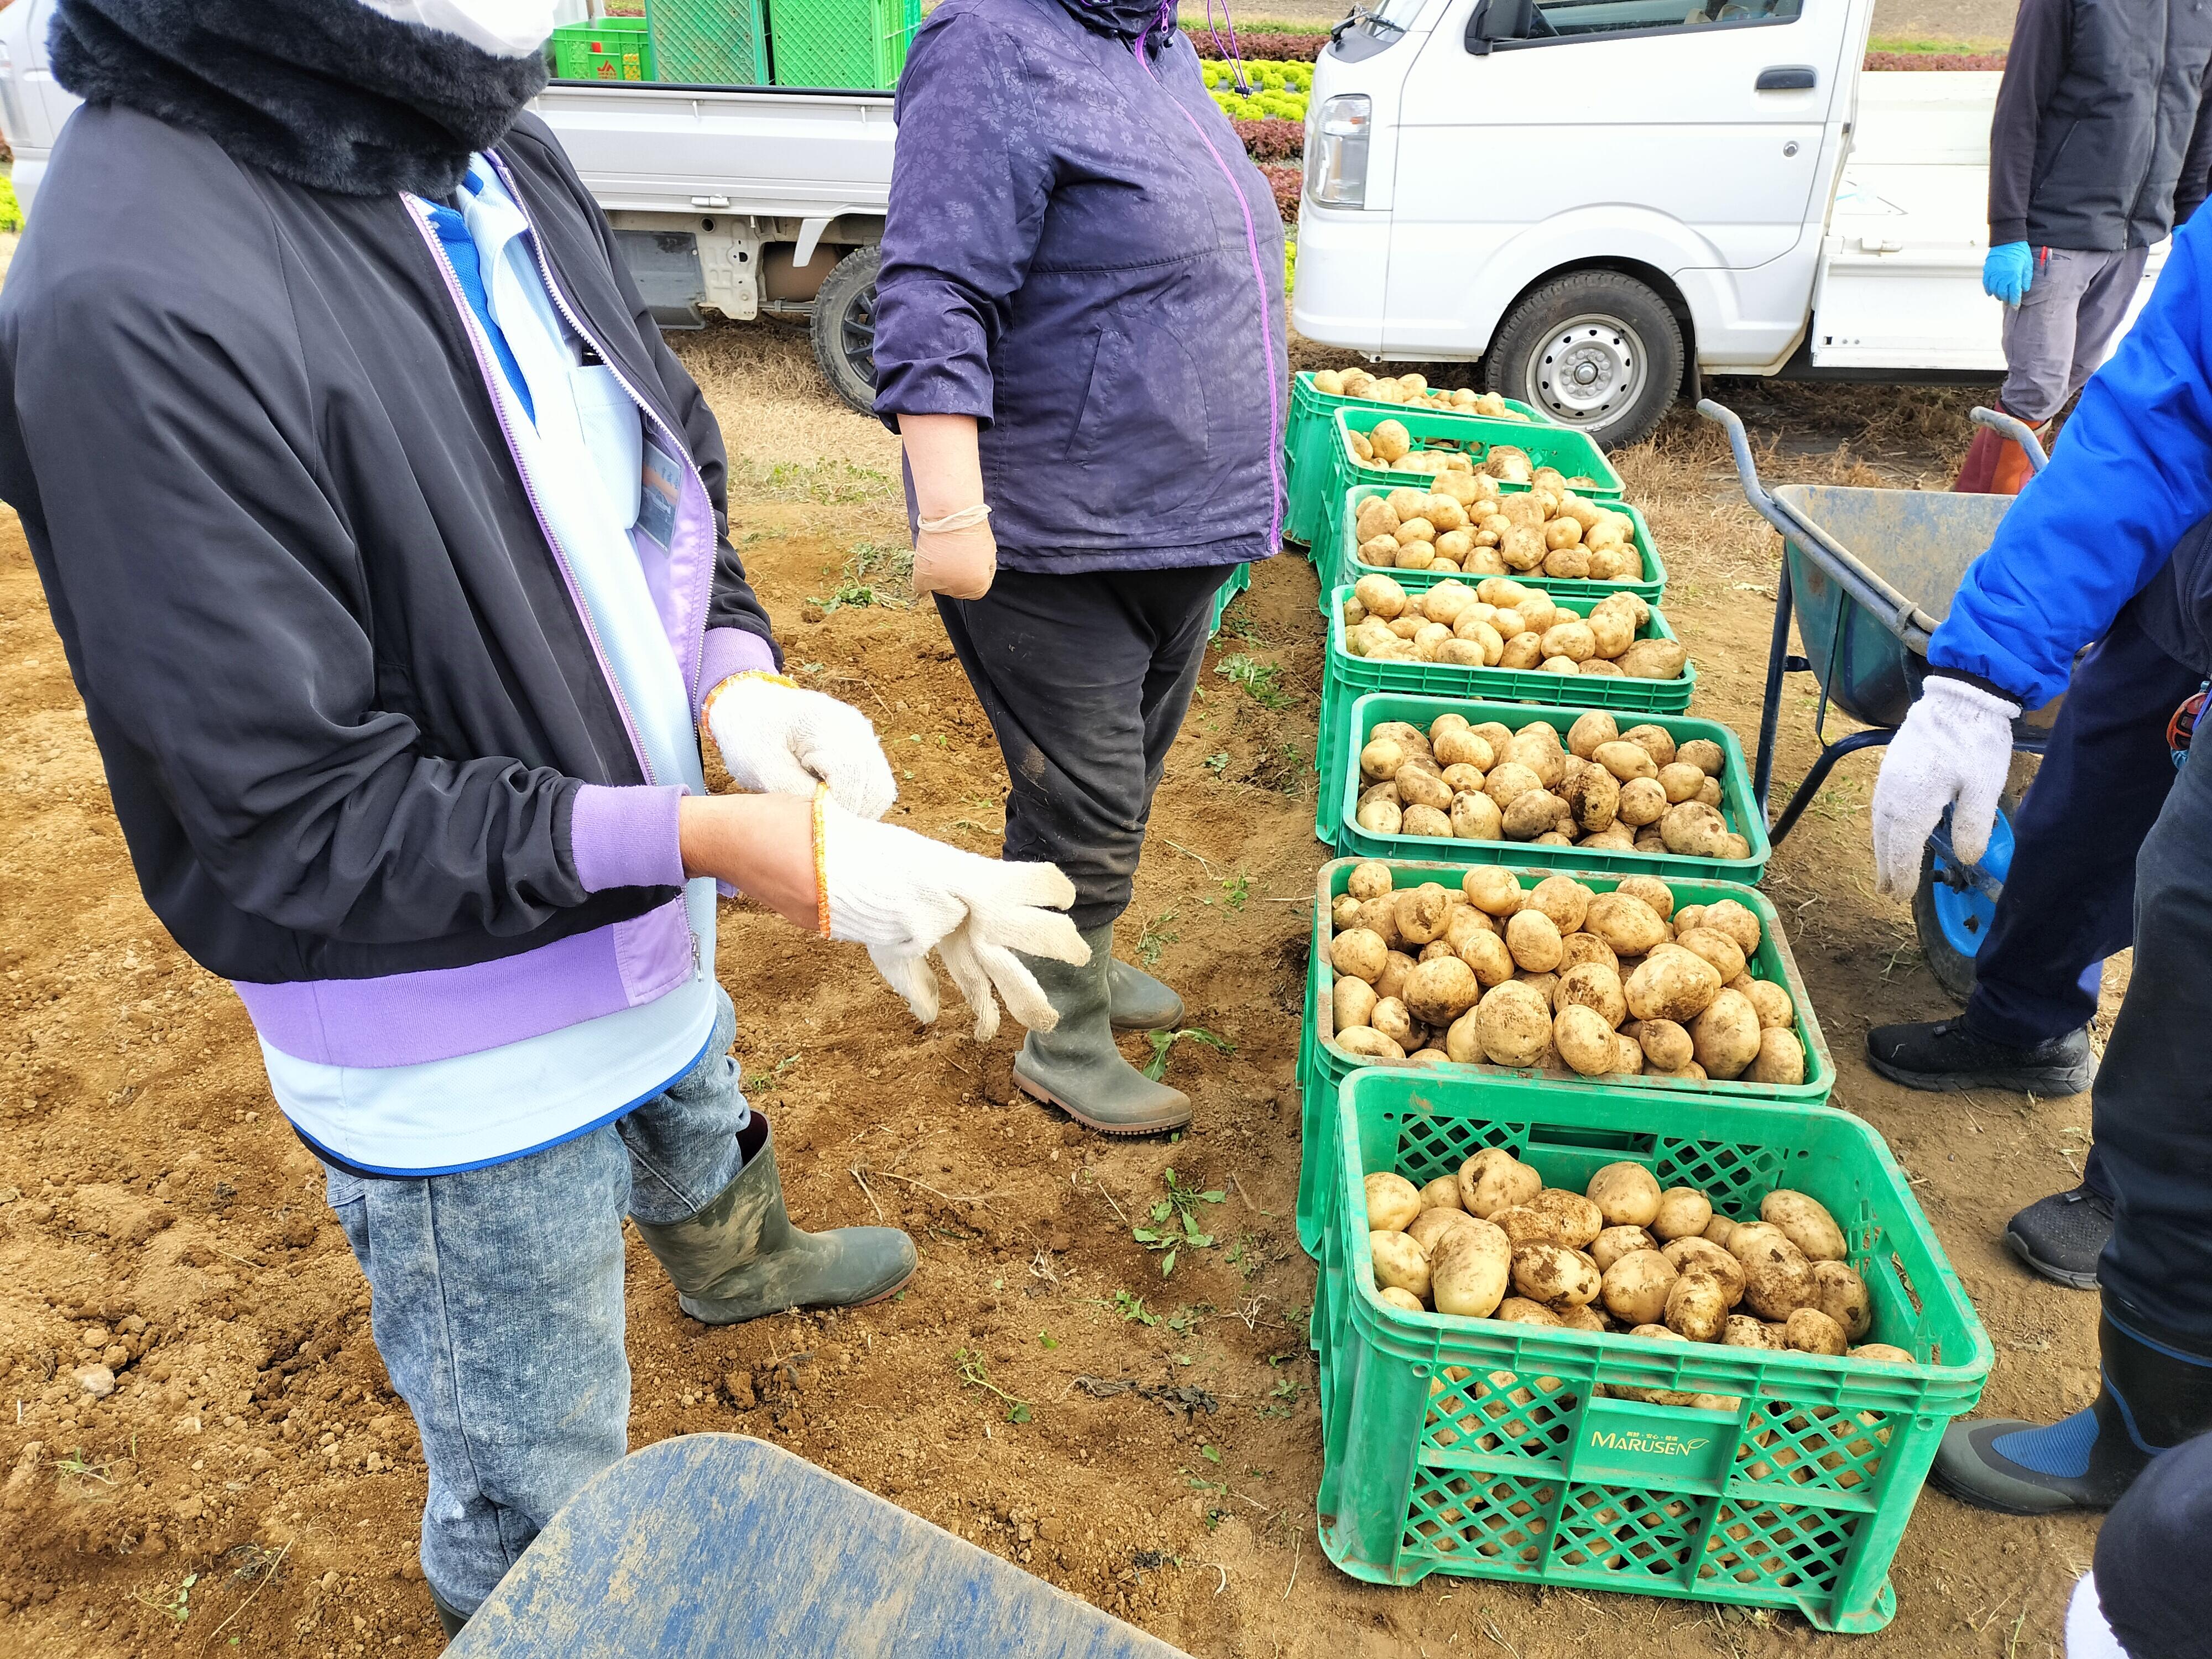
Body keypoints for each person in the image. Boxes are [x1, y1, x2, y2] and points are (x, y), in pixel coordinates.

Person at [0, 0, 1084, 1633]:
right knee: (540, 1482)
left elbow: (659, 461)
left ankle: (733, 1256)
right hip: (454, 1040)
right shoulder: (132, 290)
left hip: (633, 893)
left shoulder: (473, 131)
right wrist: (710, 838)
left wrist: (732, 688)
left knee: (685, 1086)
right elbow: (302, 814)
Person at [871, 0, 1287, 1135]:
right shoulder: (989, 42)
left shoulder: (1149, 43)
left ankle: (1070, 953)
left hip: (1171, 522)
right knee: (1088, 799)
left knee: (1124, 774)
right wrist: (951, 512)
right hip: (1057, 533)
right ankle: (1062, 1037)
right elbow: (933, 287)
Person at [1870, 205, 2212, 1517]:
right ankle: (2144, 1434)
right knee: (2175, 1057)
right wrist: (1976, 674)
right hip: (2184, 610)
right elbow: (2158, 413)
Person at [1865, 517, 2208, 1292]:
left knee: (2199, 933)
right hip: (2181, 604)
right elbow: (2140, 443)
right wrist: (1979, 679)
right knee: (2072, 829)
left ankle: (2153, 1204)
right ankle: (2024, 1029)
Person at [1953, 0, 2212, 495]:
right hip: (2058, 227)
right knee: (2037, 389)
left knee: (2073, 376)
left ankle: (1971, 518)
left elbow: (2200, 118)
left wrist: (2191, 217)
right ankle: (1984, 525)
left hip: (2134, 235)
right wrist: (2008, 230)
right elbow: (2018, 108)